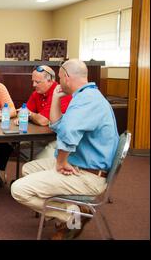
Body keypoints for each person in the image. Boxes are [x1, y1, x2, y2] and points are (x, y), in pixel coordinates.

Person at [11, 59, 119, 240]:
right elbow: (58, 126)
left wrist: (61, 162)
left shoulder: (86, 101)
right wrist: (55, 98)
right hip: (83, 163)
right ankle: (71, 209)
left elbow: (68, 134)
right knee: (28, 169)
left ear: (67, 78)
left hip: (88, 175)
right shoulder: (86, 96)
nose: (57, 83)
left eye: (59, 78)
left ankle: (73, 214)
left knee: (18, 189)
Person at [13, 65, 72, 159]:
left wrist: (29, 114)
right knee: (17, 146)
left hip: (61, 138)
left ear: (50, 81)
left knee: (36, 157)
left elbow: (43, 121)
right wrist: (25, 114)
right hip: (43, 136)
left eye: (37, 82)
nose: (33, 85)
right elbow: (22, 112)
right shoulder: (37, 93)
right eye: (33, 81)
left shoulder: (61, 93)